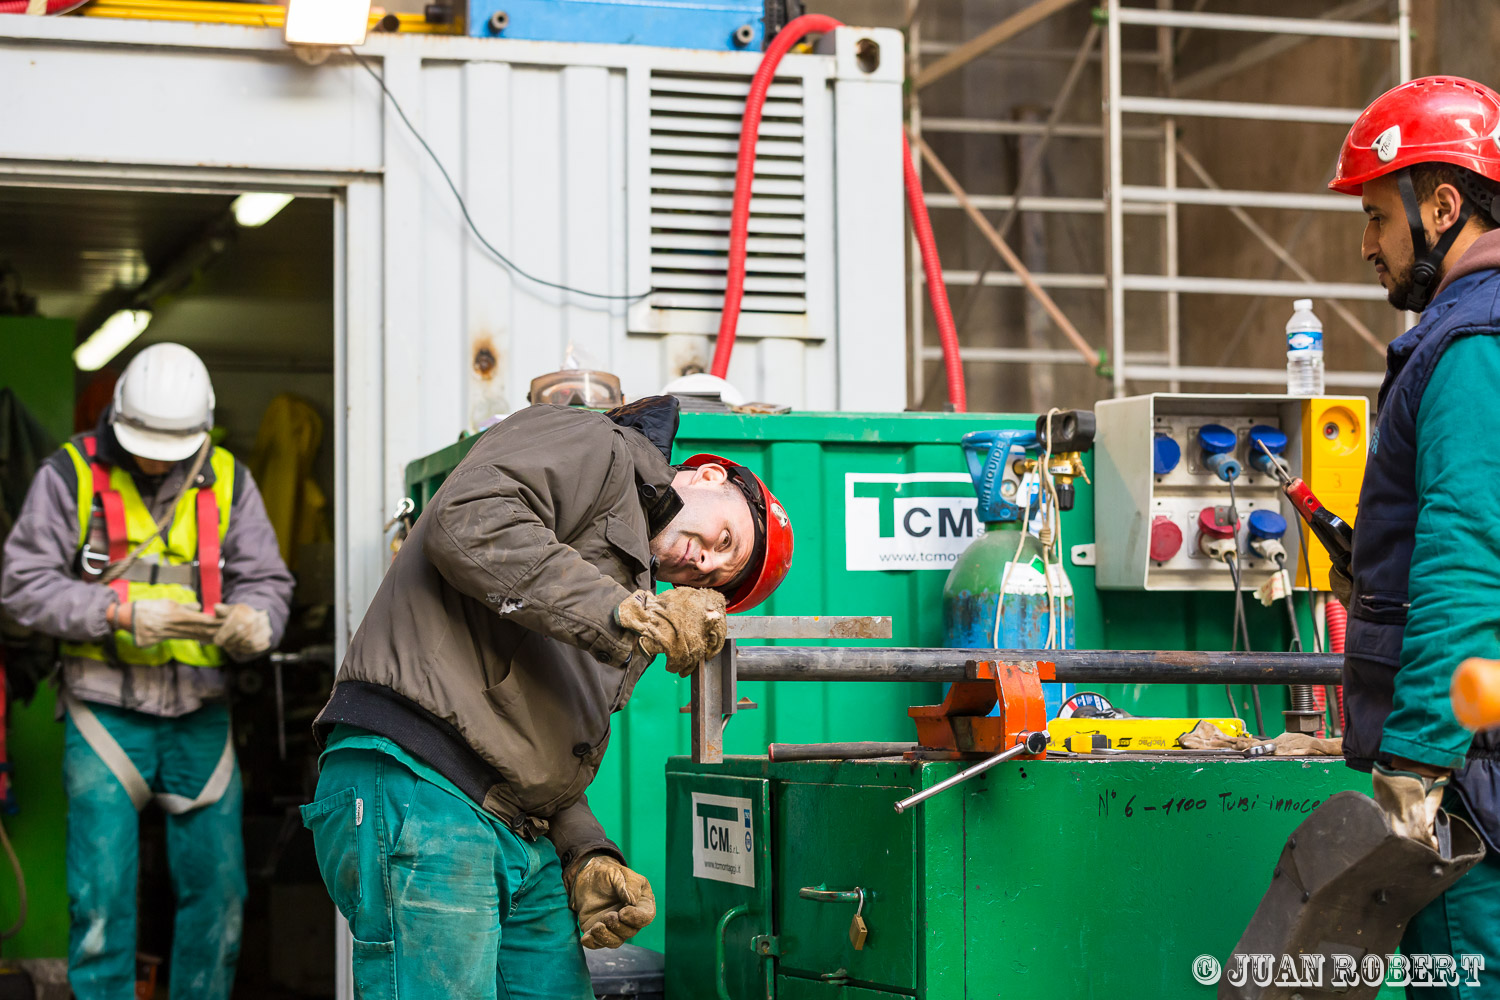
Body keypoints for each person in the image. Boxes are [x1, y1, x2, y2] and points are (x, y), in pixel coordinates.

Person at [302, 393, 792, 999]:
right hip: (424, 784)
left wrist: (587, 852)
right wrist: (622, 614)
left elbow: (541, 732)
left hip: (511, 824)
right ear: (710, 476)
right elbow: (468, 518)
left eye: (715, 573)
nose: (702, 561)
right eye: (724, 538)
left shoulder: (628, 582)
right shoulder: (600, 447)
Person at [0, 343, 294, 1000]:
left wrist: (257, 621)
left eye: (173, 446)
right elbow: (20, 584)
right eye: (145, 443)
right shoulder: (69, 475)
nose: (158, 458)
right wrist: (118, 612)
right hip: (103, 711)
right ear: (118, 418)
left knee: (218, 901)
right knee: (101, 902)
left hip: (201, 712)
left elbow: (268, 581)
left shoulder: (228, 480)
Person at [1330, 75, 1500, 984]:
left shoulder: (1474, 342)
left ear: (1441, 205)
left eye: (1377, 218)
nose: (1367, 246)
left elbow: (1466, 561)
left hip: (1476, 796)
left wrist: (1418, 766)